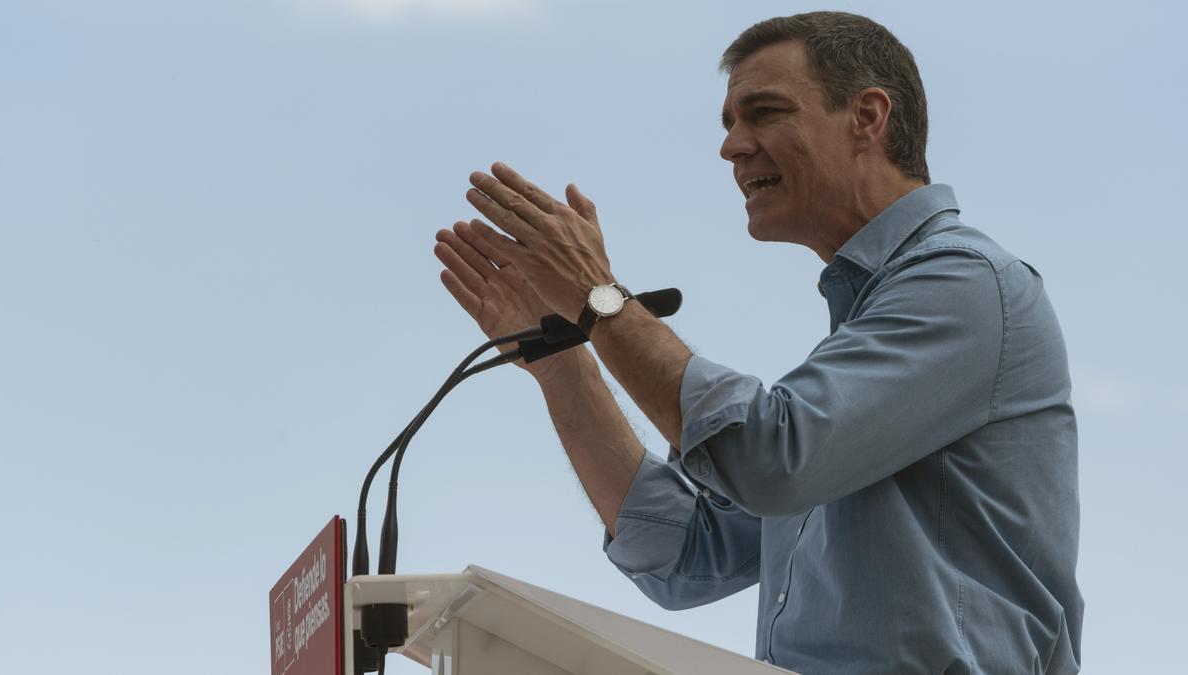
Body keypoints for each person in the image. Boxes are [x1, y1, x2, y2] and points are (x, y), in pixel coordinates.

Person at [433, 11, 1083, 674]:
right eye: (728, 124)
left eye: (763, 112)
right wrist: (561, 358)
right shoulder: (866, 346)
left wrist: (600, 298)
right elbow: (687, 555)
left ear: (868, 117)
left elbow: (767, 457)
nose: (733, 147)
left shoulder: (968, 287)